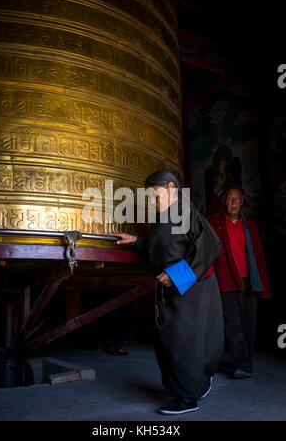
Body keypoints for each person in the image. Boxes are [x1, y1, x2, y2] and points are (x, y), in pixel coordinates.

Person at [111, 170, 224, 415]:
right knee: (172, 342)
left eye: (155, 195)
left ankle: (187, 397)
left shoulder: (185, 211)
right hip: (172, 291)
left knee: (184, 341)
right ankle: (197, 385)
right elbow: (162, 252)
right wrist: (137, 242)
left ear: (171, 187)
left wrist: (176, 276)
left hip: (192, 291)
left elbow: (209, 247)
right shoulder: (163, 217)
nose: (152, 202)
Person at [208, 184, 272, 379]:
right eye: (229, 198)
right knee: (232, 324)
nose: (233, 202)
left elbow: (258, 256)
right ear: (224, 201)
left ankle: (243, 361)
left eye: (237, 199)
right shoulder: (214, 223)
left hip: (249, 281)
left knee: (248, 325)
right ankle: (243, 364)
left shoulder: (250, 225)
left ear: (242, 201)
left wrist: (262, 283)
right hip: (227, 280)